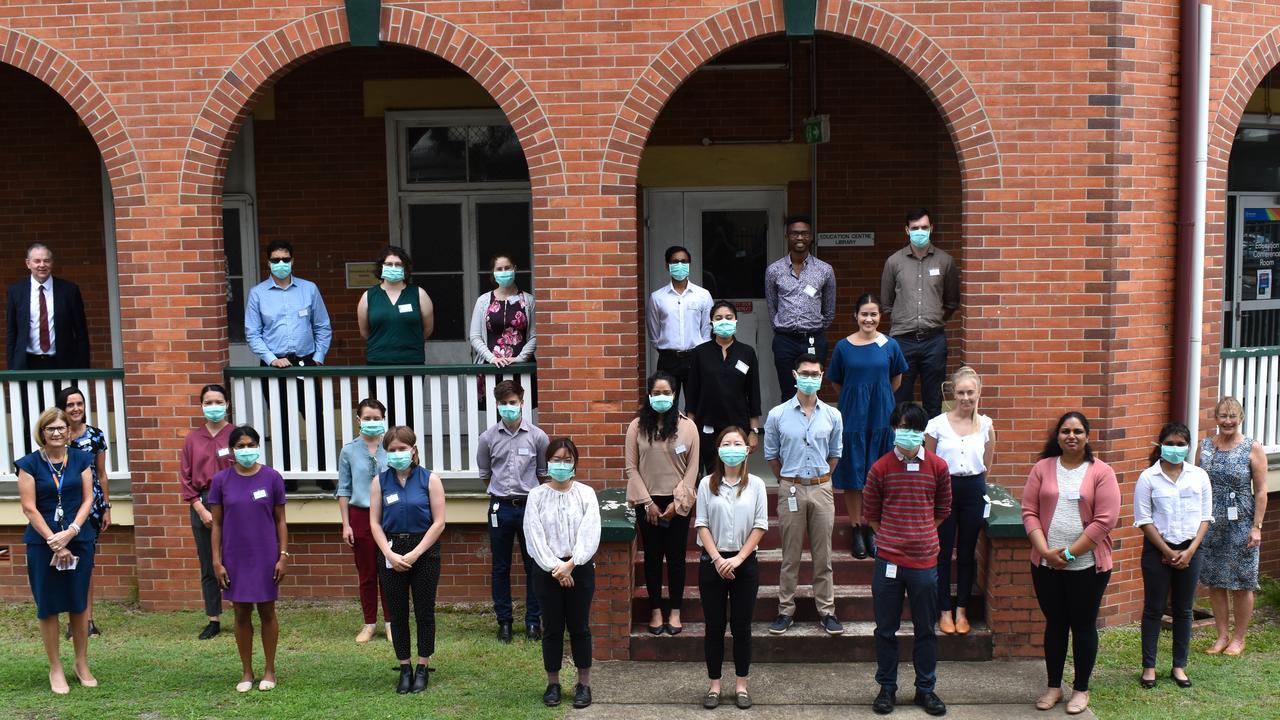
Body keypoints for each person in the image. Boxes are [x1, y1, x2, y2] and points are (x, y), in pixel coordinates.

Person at [1021, 412, 1119, 716]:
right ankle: (1053, 686)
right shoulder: (1042, 468)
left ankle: (1080, 689)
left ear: (1088, 436)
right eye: (1065, 431)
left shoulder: (1102, 472)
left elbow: (1104, 522)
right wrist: (1046, 552)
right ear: (1058, 436)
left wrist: (1070, 555)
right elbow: (1029, 512)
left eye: (1078, 431)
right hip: (1045, 565)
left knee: (1083, 625)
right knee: (1056, 624)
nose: (1071, 436)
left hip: (1088, 567)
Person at [863, 402, 951, 717]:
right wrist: (893, 536)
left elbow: (943, 510)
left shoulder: (938, 467)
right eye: (903, 428)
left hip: (925, 561)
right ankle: (887, 688)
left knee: (925, 629)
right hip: (888, 560)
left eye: (914, 429)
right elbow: (871, 514)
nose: (909, 434)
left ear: (923, 431)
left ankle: (925, 690)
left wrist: (919, 532)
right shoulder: (880, 468)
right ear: (893, 430)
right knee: (885, 629)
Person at [17, 408, 97, 694]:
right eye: (50, 428)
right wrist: (54, 540)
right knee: (48, 605)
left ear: (68, 430)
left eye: (61, 428)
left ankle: (81, 663)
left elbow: (89, 498)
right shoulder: (28, 464)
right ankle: (55, 668)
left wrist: (72, 531)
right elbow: (29, 507)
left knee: (78, 603)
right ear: (42, 432)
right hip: (43, 543)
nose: (57, 433)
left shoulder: (81, 459)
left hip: (79, 538)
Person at [764, 355, 844, 636]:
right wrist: (789, 479)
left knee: (824, 556)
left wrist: (820, 478)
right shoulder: (777, 415)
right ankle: (785, 610)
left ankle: (827, 611)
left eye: (815, 373)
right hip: (791, 487)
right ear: (795, 375)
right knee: (790, 555)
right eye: (805, 373)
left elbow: (835, 454)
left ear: (822, 376)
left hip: (822, 487)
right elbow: (772, 456)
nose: (810, 378)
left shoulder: (833, 415)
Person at [826, 292, 908, 560]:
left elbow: (896, 379)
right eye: (864, 314)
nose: (869, 319)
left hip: (881, 417)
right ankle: (857, 528)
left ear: (880, 317)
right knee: (854, 475)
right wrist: (857, 396)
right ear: (856, 316)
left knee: (878, 473)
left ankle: (875, 527)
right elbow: (837, 381)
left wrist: (878, 396)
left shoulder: (890, 346)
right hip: (853, 418)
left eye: (874, 314)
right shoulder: (843, 347)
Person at [243, 239, 333, 477]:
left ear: (292, 260)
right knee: (282, 422)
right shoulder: (258, 294)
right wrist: (271, 358)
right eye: (275, 260)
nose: (280, 263)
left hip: (306, 363)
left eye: (285, 259)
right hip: (274, 367)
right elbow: (253, 333)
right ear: (268, 262)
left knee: (315, 419)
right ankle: (287, 475)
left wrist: (319, 357)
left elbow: (323, 326)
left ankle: (322, 472)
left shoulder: (309, 289)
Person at [369, 425, 447, 694]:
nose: (397, 454)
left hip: (424, 551)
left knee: (424, 612)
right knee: (397, 614)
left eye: (402, 449)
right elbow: (375, 523)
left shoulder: (430, 479)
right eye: (392, 450)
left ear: (413, 450)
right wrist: (389, 554)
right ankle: (405, 667)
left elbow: (439, 523)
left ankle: (423, 667)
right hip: (391, 549)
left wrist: (416, 553)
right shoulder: (380, 482)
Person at [1134, 422, 1212, 690]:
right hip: (1158, 550)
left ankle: (1179, 665)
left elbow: (1206, 517)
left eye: (1181, 444)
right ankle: (1149, 667)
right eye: (1170, 443)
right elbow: (1143, 519)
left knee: (1184, 610)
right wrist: (1167, 551)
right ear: (1160, 445)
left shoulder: (1199, 476)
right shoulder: (1148, 477)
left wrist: (1189, 551)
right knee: (1153, 609)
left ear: (1188, 447)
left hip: (1192, 549)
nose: (1175, 449)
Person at [210, 425, 288, 692]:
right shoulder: (221, 480)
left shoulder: (272, 477)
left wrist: (283, 555)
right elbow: (217, 524)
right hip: (234, 556)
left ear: (258, 446)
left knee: (267, 611)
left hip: (266, 555)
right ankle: (246, 672)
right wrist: (216, 561)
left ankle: (270, 670)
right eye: (240, 446)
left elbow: (281, 521)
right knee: (241, 613)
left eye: (251, 444)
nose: (246, 450)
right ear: (232, 450)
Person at [694, 426, 768, 710]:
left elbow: (761, 525)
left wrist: (737, 559)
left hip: (744, 564)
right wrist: (717, 560)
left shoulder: (757, 485)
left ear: (747, 449)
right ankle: (714, 686)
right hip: (712, 563)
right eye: (727, 443)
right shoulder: (706, 484)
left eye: (738, 443)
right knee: (714, 627)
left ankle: (741, 685)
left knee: (741, 627)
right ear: (718, 449)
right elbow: (701, 524)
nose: (732, 447)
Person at [524, 438, 600, 710]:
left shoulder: (586, 494)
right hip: (547, 571)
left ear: (575, 463)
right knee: (552, 628)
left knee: (580, 628)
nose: (561, 465)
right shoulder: (536, 496)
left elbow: (590, 533)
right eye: (556, 460)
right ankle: (553, 683)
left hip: (579, 569)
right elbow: (533, 535)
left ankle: (584, 684)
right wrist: (555, 567)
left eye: (567, 460)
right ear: (547, 462)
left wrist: (571, 564)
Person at [625, 371, 698, 635]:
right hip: (648, 504)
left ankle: (675, 611)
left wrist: (677, 505)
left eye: (667, 393)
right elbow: (631, 468)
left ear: (675, 394)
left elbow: (693, 469)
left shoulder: (688, 426)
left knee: (676, 559)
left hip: (678, 504)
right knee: (653, 558)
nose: (662, 397)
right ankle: (656, 611)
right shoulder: (636, 427)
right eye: (657, 393)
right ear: (649, 394)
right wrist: (647, 503)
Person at [475, 380, 548, 643]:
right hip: (500, 507)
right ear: (496, 405)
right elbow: (485, 474)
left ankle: (532, 622)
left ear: (522, 402)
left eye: (512, 402)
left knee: (534, 566)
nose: (508, 407)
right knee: (500, 567)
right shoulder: (488, 438)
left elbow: (542, 473)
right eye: (503, 404)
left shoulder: (538, 437)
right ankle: (504, 622)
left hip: (529, 507)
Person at [923, 366, 993, 635]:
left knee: (966, 553)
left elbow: (988, 460)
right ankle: (943, 610)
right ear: (953, 393)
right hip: (945, 489)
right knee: (942, 552)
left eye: (970, 393)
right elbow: (928, 462)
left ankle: (961, 610)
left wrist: (980, 483)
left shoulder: (985, 424)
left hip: (973, 489)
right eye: (961, 392)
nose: (966, 398)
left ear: (978, 393)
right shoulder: (937, 424)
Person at [1199, 396, 1269, 657]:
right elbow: (1198, 484)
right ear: (1216, 418)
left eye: (1232, 416)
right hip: (1212, 521)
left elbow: (1261, 490)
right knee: (1216, 580)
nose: (1227, 421)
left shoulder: (1252, 447)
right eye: (1223, 416)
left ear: (1240, 419)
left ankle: (1239, 638)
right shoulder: (1205, 446)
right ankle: (1221, 636)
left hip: (1242, 520)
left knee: (1242, 581)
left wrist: (1257, 526)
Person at [880, 208, 960, 418]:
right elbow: (886, 303)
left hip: (934, 341)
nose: (920, 232)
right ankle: (902, 447)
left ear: (931, 228)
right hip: (902, 342)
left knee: (934, 399)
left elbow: (952, 302)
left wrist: (933, 320)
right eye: (915, 228)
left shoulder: (945, 261)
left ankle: (930, 448)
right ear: (907, 230)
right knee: (901, 399)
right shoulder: (894, 262)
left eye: (924, 227)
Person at [178, 384, 234, 640]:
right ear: (202, 406)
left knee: (238, 558)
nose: (214, 407)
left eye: (218, 402)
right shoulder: (192, 439)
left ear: (227, 404)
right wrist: (200, 509)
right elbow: (185, 478)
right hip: (203, 502)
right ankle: (213, 617)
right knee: (209, 562)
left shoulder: (235, 435)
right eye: (209, 402)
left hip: (233, 502)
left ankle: (244, 609)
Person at [55, 386, 110, 639]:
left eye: (79, 403)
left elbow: (101, 474)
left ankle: (87, 621)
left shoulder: (95, 436)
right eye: (70, 405)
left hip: (92, 507)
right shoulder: (57, 436)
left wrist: (107, 506)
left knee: (86, 563)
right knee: (66, 562)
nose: (75, 408)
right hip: (63, 506)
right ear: (63, 409)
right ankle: (71, 621)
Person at [684, 300, 763, 475]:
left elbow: (754, 393)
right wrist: (690, 428)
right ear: (711, 322)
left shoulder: (747, 352)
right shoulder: (700, 353)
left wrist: (754, 430)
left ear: (736, 320)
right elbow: (692, 393)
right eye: (719, 318)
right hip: (707, 426)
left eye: (729, 317)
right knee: (712, 474)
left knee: (736, 474)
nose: (724, 321)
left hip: (738, 427)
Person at [335, 398, 391, 644]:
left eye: (376, 418)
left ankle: (392, 623)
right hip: (360, 515)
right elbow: (344, 488)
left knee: (390, 572)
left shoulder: (392, 447)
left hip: (390, 515)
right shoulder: (349, 450)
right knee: (367, 573)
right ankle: (369, 623)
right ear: (359, 420)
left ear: (383, 419)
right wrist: (346, 524)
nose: (371, 422)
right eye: (367, 418)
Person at [764, 214, 835, 398]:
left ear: (811, 236)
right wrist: (783, 327)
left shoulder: (824, 270)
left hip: (813, 339)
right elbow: (772, 308)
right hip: (784, 340)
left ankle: (812, 426)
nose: (800, 238)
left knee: (812, 389)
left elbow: (829, 310)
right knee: (788, 390)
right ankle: (788, 427)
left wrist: (813, 328)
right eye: (795, 233)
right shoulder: (774, 270)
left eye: (804, 233)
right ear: (787, 236)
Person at [646, 245, 712, 405]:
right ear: (667, 265)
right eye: (675, 262)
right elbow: (654, 333)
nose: (680, 265)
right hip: (668, 359)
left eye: (684, 261)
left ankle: (694, 431)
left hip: (695, 357)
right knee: (666, 404)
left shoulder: (702, 295)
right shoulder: (657, 298)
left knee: (696, 405)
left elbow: (707, 329)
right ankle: (669, 431)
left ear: (689, 264)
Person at [6, 243, 90, 370]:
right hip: (27, 363)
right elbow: (12, 332)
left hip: (62, 363)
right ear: (28, 263)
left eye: (46, 261)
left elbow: (81, 332)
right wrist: (12, 367)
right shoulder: (16, 291)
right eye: (37, 261)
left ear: (52, 263)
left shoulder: (69, 291)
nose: (42, 265)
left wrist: (83, 368)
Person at [358, 245, 434, 366]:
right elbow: (364, 332)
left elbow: (428, 329)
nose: (393, 267)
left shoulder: (419, 294)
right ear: (381, 267)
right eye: (389, 264)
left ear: (405, 268)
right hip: (378, 361)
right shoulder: (368, 296)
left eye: (398, 264)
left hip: (412, 361)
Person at [470, 252, 537, 368]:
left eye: (507, 268)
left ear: (514, 269)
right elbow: (475, 336)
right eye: (499, 269)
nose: (504, 272)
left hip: (522, 368)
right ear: (494, 273)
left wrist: (520, 358)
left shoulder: (529, 301)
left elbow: (536, 336)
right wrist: (492, 358)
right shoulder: (483, 301)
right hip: (491, 367)